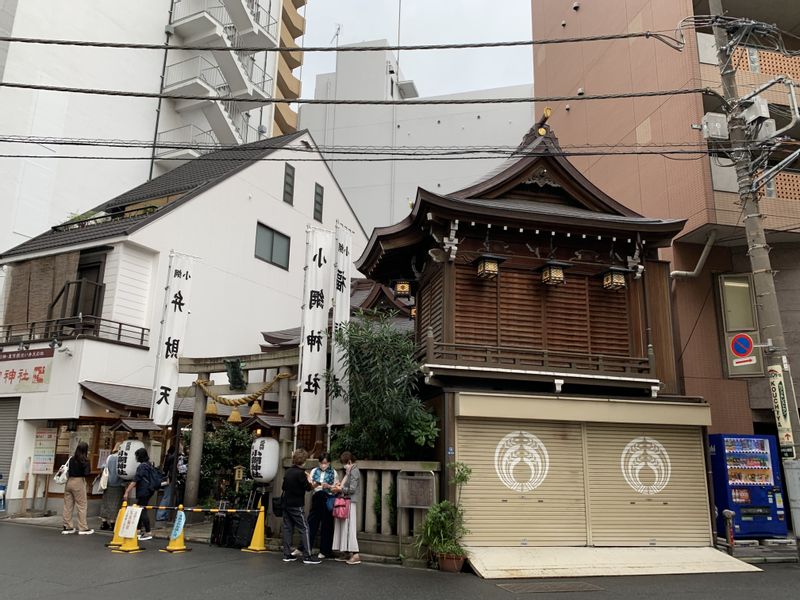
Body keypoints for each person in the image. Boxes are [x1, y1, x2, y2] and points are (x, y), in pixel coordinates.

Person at [281, 449, 321, 565]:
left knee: (288, 528)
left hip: (286, 503)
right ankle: (307, 555)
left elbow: (283, 487)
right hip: (297, 505)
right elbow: (308, 488)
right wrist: (313, 482)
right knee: (304, 528)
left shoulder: (288, 471)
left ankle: (287, 554)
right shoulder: (301, 473)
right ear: (303, 461)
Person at [307, 453, 338, 559]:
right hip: (317, 496)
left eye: (326, 463)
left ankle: (325, 550)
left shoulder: (333, 472)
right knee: (312, 523)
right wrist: (313, 484)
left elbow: (336, 488)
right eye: (321, 463)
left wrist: (329, 486)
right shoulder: (314, 471)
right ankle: (307, 547)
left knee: (327, 525)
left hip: (327, 498)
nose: (323, 465)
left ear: (329, 463)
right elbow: (309, 485)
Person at [332, 451, 361, 565]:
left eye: (345, 463)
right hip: (347, 500)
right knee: (345, 527)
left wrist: (340, 489)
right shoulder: (350, 471)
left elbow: (352, 489)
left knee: (349, 527)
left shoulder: (354, 471)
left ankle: (355, 554)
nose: (344, 466)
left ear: (349, 461)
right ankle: (348, 552)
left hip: (350, 501)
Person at [123, 447, 155, 541]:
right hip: (149, 490)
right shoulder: (149, 464)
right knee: (140, 509)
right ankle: (138, 530)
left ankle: (148, 531)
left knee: (142, 509)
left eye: (136, 455)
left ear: (140, 456)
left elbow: (135, 480)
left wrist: (127, 492)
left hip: (143, 491)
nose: (136, 457)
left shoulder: (142, 467)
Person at [62, 441, 94, 535]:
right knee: (82, 505)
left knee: (67, 505)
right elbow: (87, 473)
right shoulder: (85, 460)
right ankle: (83, 528)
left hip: (69, 482)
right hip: (79, 482)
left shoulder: (71, 459)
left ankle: (67, 526)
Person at [99, 443, 125, 530]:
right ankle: (113, 524)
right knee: (116, 504)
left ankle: (104, 522)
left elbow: (103, 467)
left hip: (108, 483)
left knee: (106, 503)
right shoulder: (122, 459)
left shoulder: (109, 457)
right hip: (118, 484)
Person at [156, 445, 178, 521]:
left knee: (168, 497)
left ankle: (164, 515)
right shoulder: (173, 458)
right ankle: (160, 515)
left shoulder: (168, 457)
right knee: (167, 497)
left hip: (169, 478)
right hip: (170, 479)